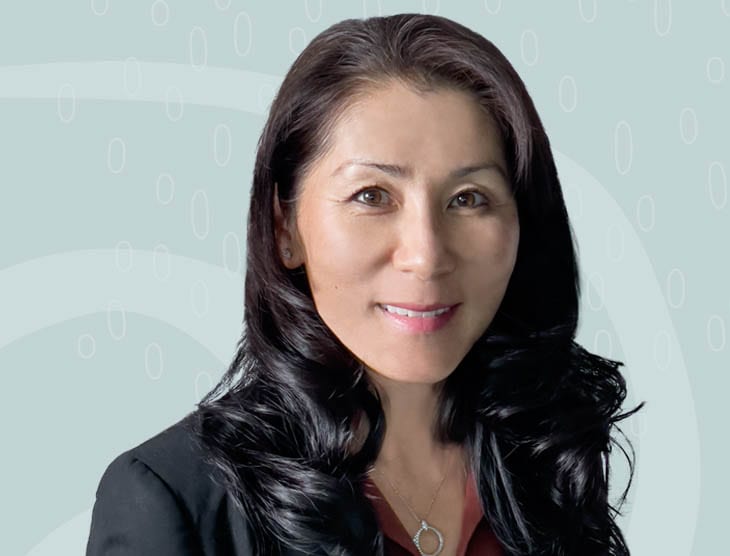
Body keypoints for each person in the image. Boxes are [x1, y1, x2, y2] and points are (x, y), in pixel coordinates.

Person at [85, 13, 643, 556]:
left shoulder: (549, 457)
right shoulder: (170, 500)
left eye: (468, 199)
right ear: (285, 228)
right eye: (372, 196)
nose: (425, 256)